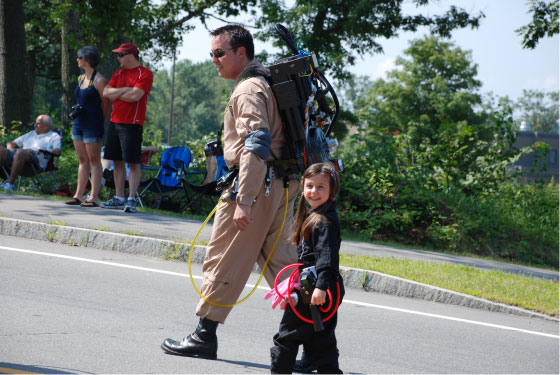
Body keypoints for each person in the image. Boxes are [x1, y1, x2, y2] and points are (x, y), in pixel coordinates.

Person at [161, 24, 300, 359]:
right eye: (211, 53)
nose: (214, 60)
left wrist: (245, 200)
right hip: (283, 185)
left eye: (220, 53)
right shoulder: (268, 82)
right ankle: (313, 344)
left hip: (257, 186)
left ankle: (203, 336)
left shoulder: (248, 89)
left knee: (224, 259)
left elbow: (256, 143)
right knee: (285, 269)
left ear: (242, 52)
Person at [269, 162, 344, 374]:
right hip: (316, 288)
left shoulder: (324, 222)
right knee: (320, 342)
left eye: (321, 187)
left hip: (314, 290)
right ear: (302, 187)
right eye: (310, 186)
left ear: (331, 191)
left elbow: (327, 258)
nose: (314, 191)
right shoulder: (315, 216)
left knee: (287, 338)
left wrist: (321, 287)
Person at [100, 42, 153, 213]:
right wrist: (125, 89)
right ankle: (119, 197)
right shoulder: (118, 73)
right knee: (117, 161)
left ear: (131, 55)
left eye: (121, 55)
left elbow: (135, 96)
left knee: (133, 162)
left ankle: (131, 199)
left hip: (132, 123)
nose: (118, 58)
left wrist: (119, 92)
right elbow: (106, 93)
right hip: (115, 122)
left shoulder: (145, 73)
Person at [65, 46, 110, 207]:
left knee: (94, 160)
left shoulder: (99, 80)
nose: (77, 60)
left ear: (88, 60)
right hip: (78, 124)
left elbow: (105, 103)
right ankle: (78, 195)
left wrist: (100, 121)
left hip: (93, 124)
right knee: (82, 159)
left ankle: (94, 197)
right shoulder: (80, 78)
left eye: (80, 57)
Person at [0, 115, 62, 191]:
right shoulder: (31, 134)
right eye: (35, 123)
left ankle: (10, 184)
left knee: (21, 152)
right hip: (18, 158)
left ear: (46, 126)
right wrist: (10, 147)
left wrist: (39, 150)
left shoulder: (54, 136)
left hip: (35, 163)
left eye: (38, 123)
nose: (35, 125)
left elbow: (57, 151)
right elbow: (11, 143)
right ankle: (5, 180)